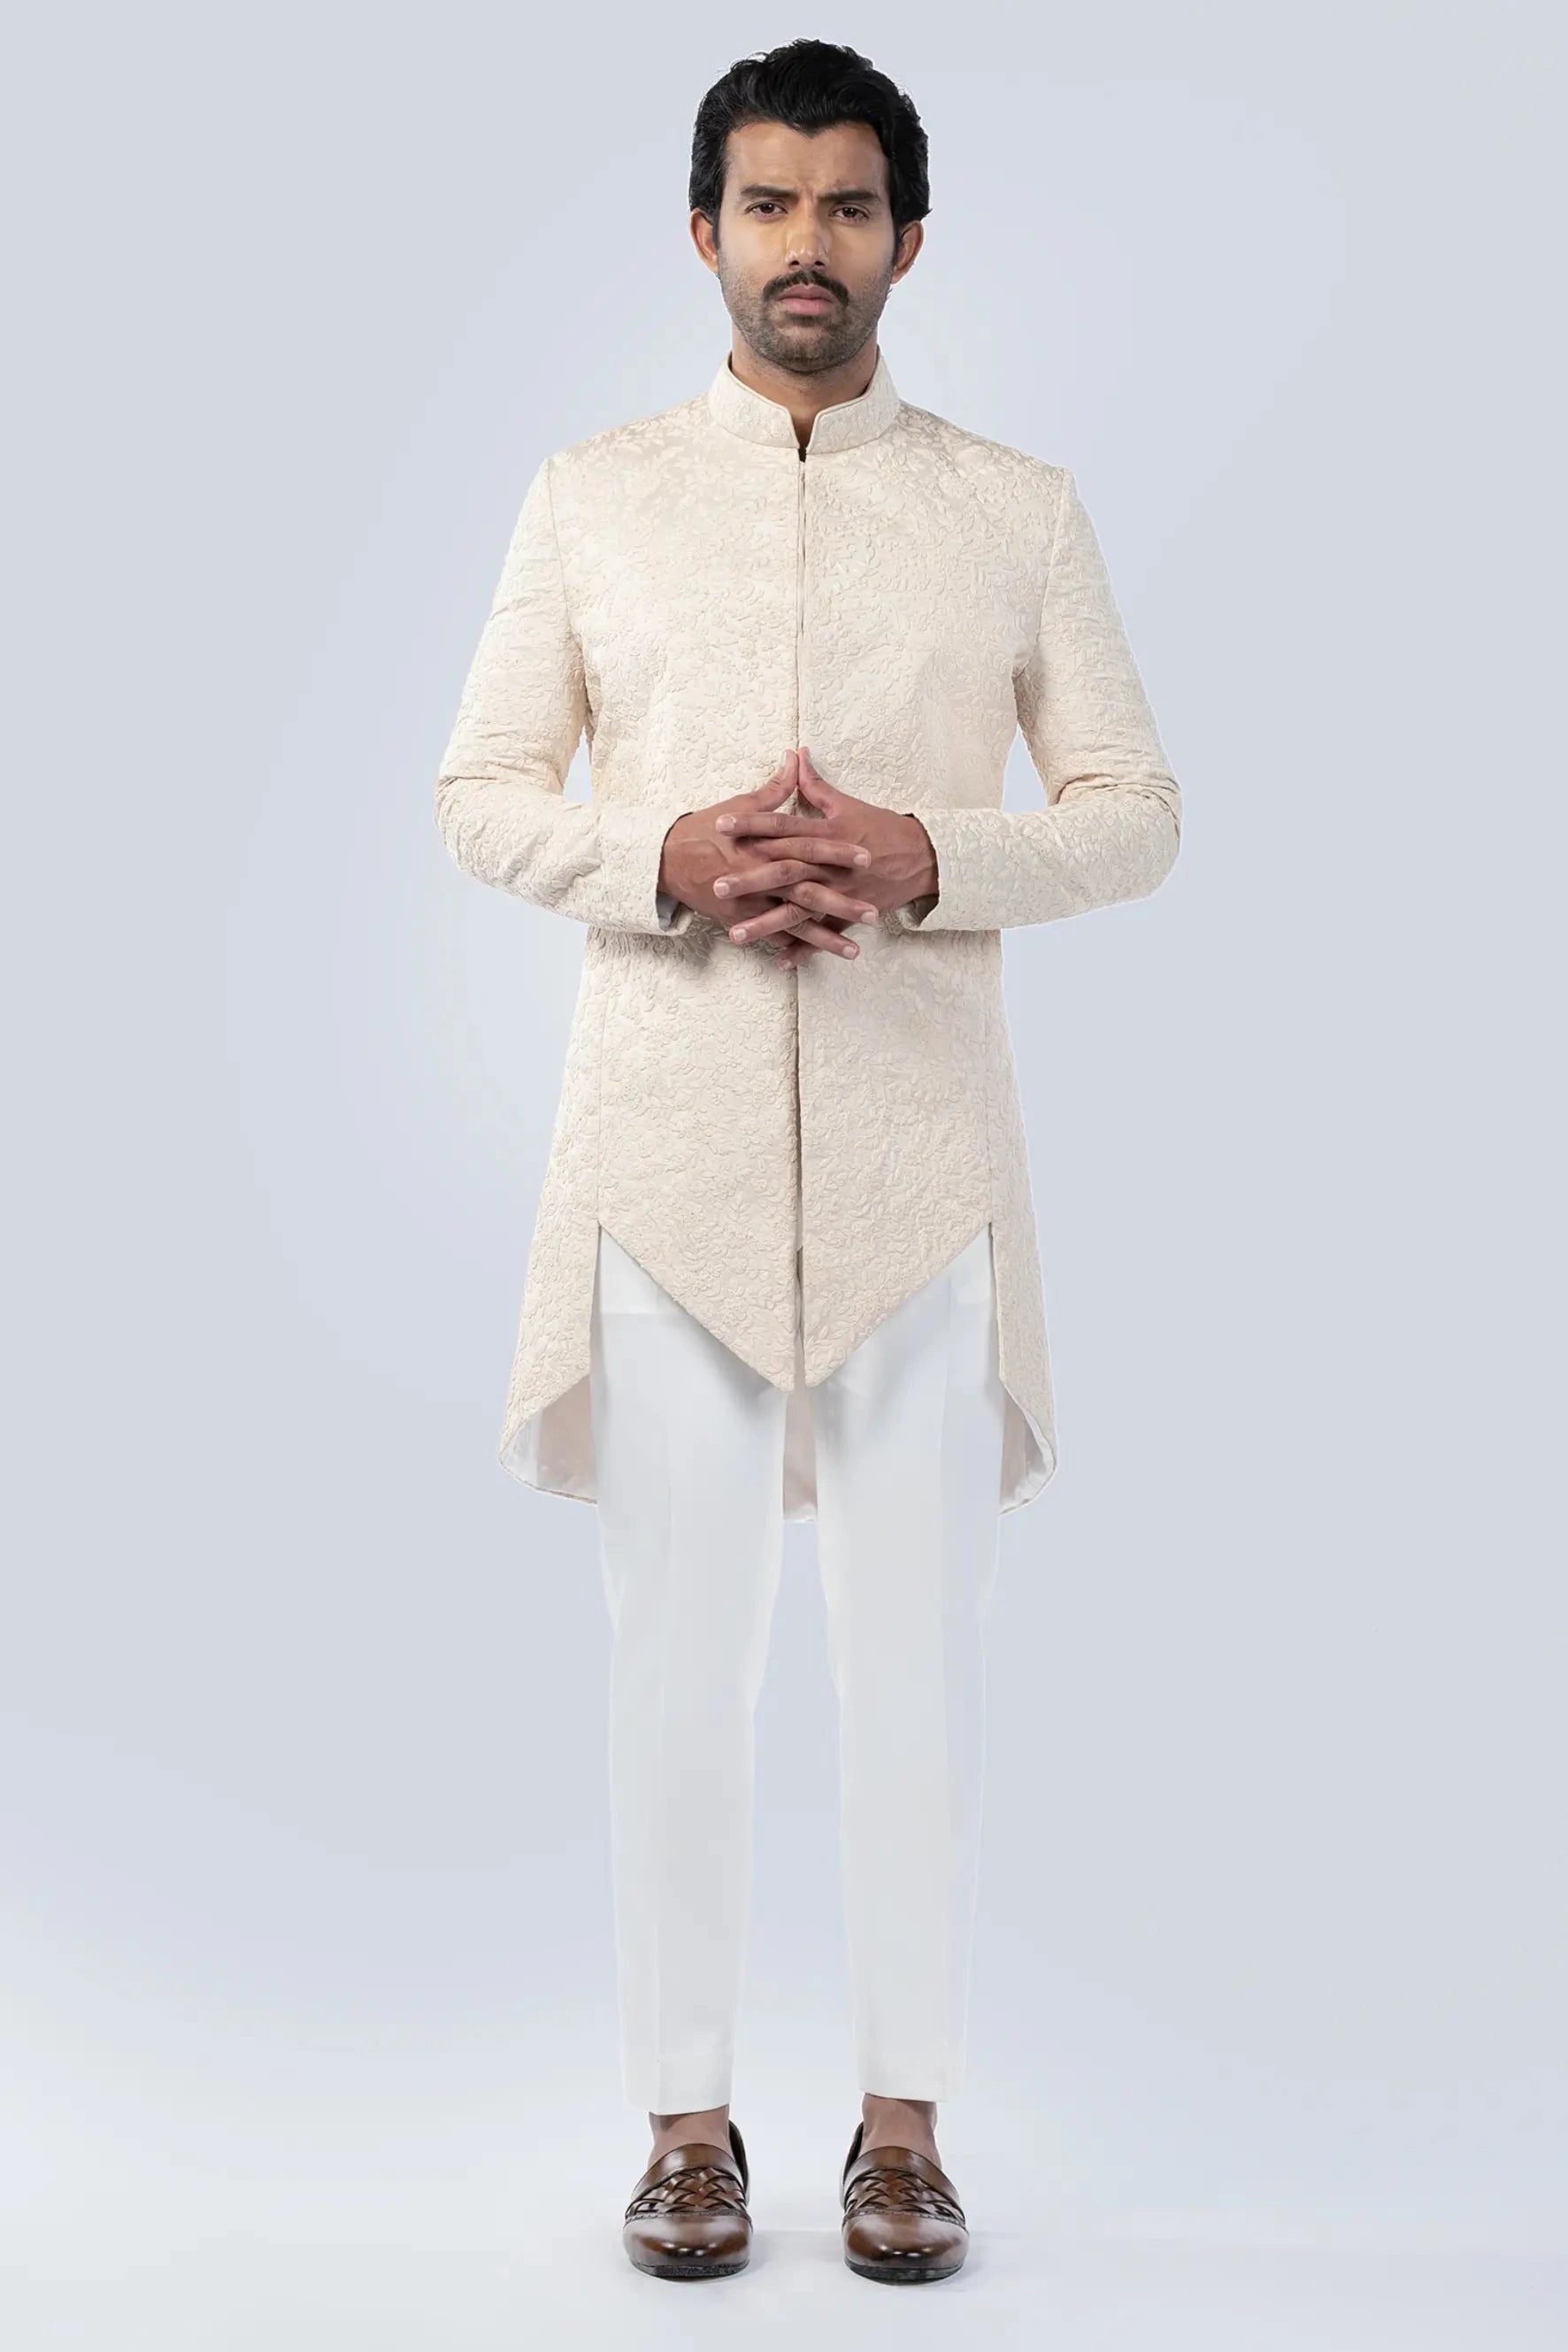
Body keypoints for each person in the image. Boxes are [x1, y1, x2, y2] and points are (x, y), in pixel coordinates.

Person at [434, 38, 1180, 2286]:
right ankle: (685, 2129)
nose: (804, 245)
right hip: (658, 1154)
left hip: (915, 1161)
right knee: (672, 1662)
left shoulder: (1013, 509)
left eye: (847, 206)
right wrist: (658, 853)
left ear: (907, 244)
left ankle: (902, 2128)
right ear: (703, 234)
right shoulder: (592, 499)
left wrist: (923, 854)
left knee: (911, 1667)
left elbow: (1133, 814)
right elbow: (479, 792)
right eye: (766, 204)